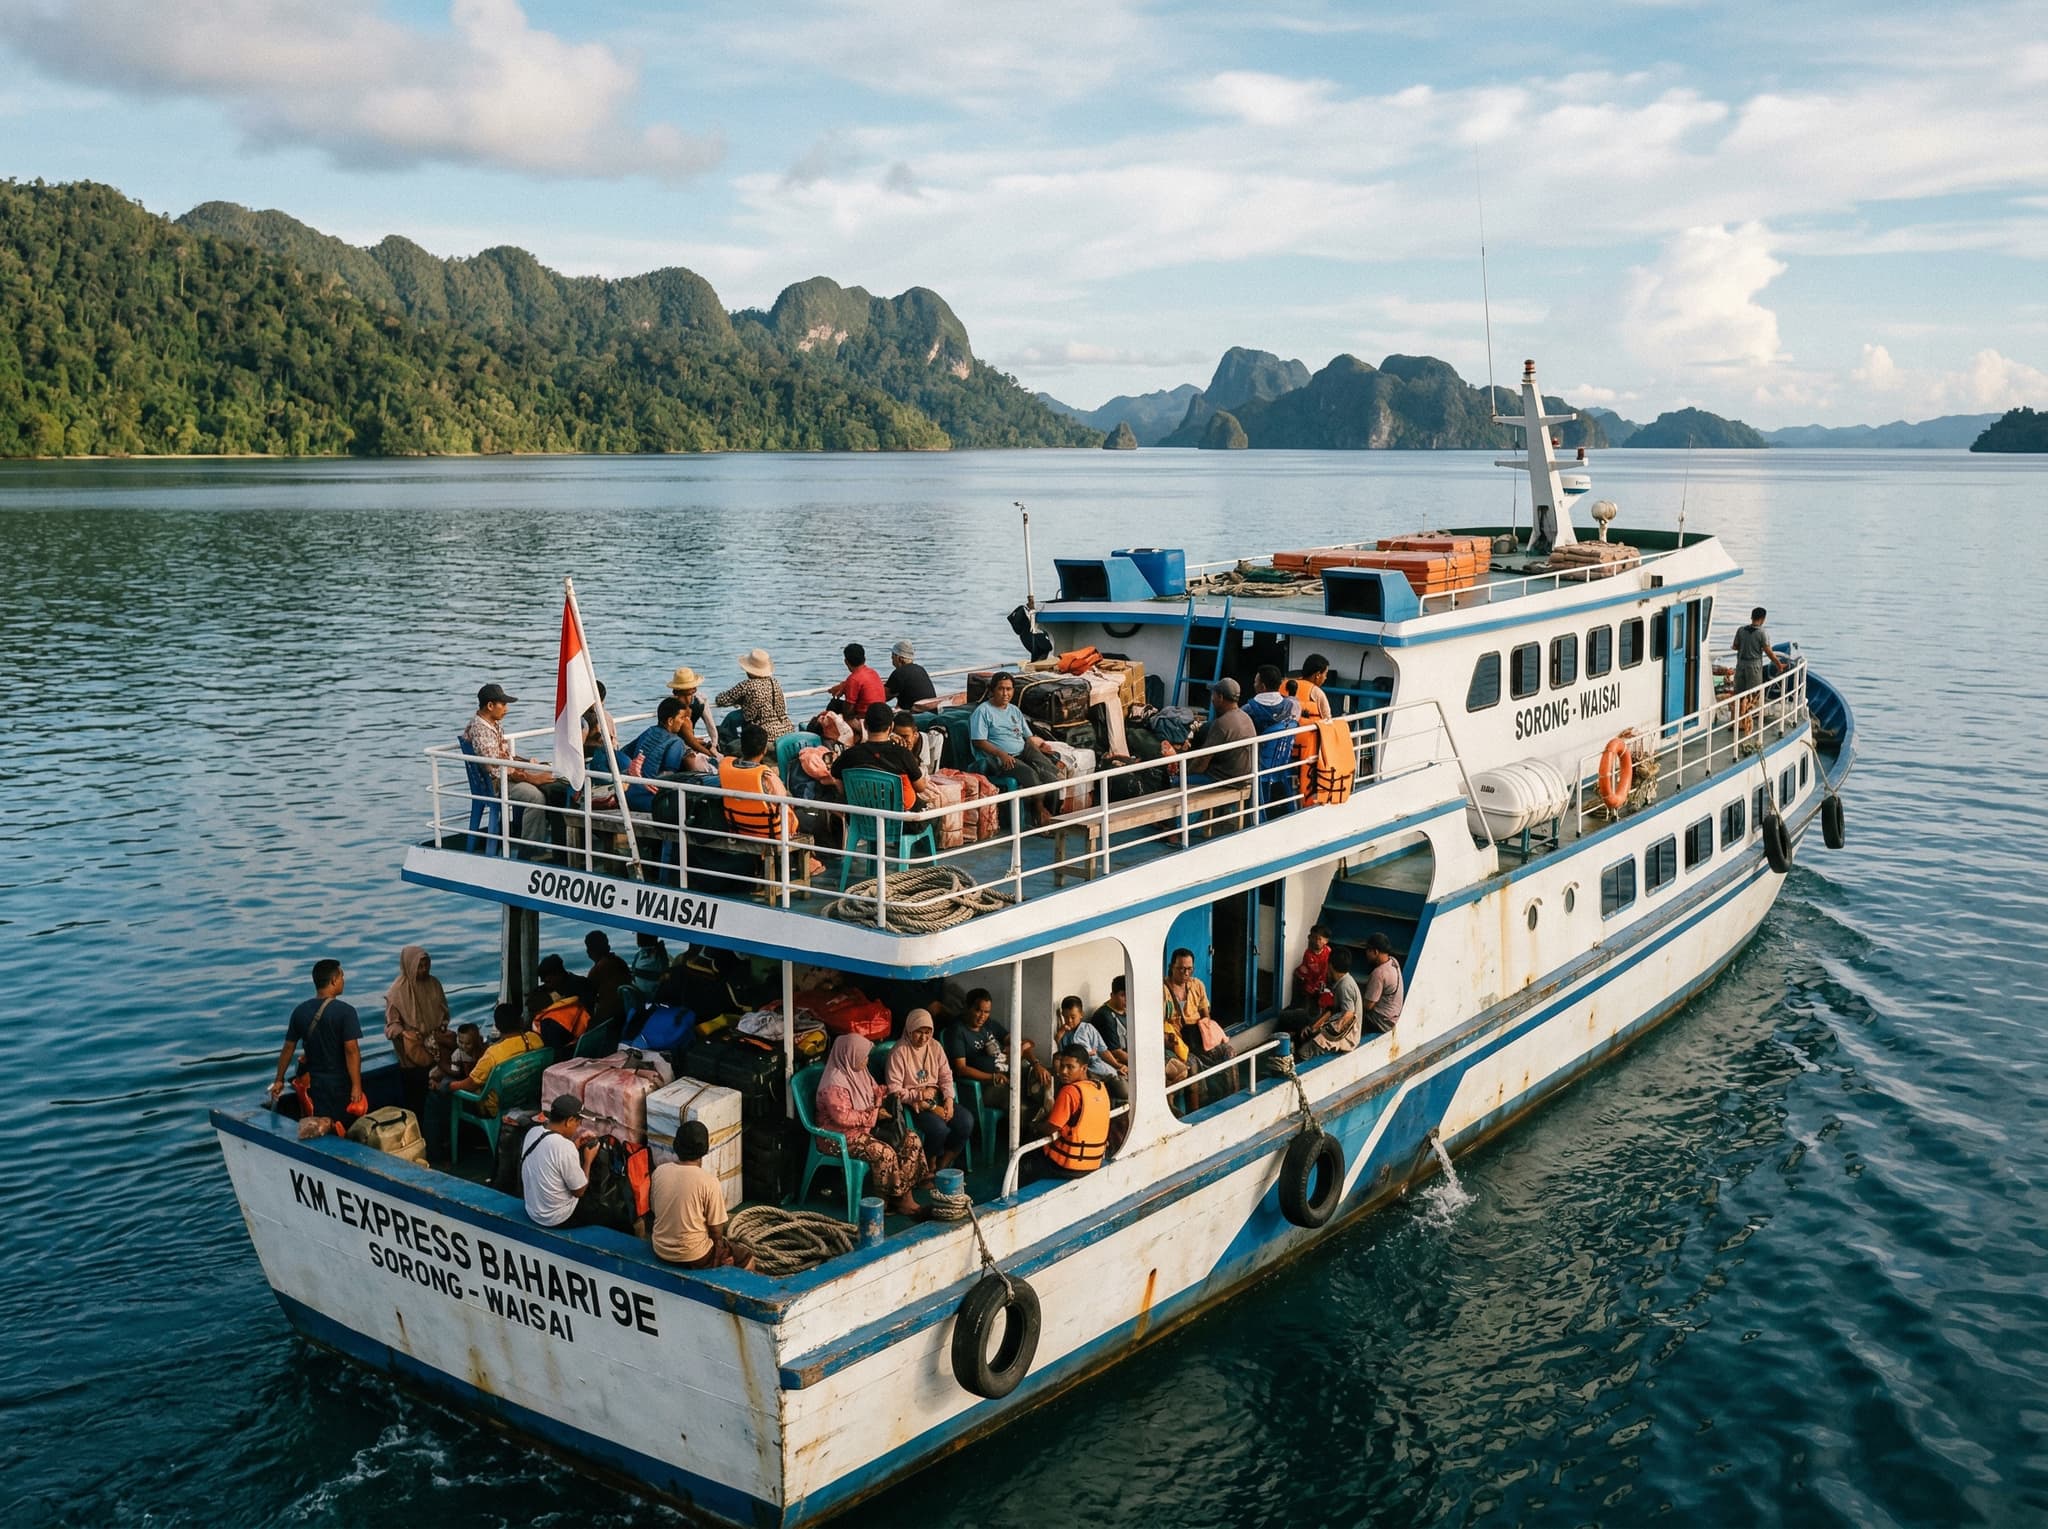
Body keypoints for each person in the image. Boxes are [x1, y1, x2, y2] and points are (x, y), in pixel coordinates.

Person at [814, 1032, 930, 1217]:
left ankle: (901, 1197)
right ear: (849, 1055)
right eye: (863, 1056)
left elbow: (875, 1091)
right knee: (883, 1152)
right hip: (839, 1137)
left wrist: (890, 1094)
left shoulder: (859, 1072)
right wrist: (874, 1114)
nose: (866, 1061)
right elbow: (843, 1118)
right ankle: (885, 1203)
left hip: (866, 1129)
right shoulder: (833, 1084)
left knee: (911, 1139)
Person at [463, 683, 570, 856]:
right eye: (503, 705)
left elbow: (504, 757)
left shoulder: (492, 723)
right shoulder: (481, 729)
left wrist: (528, 763)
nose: (507, 709)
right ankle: (530, 850)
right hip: (495, 783)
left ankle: (550, 839)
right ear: (490, 706)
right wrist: (531, 777)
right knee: (536, 797)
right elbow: (496, 769)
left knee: (550, 777)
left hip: (504, 775)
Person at [268, 958, 364, 1121]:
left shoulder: (300, 1011)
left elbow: (288, 1049)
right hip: (341, 1084)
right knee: (345, 1126)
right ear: (334, 980)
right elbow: (351, 1051)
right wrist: (356, 1086)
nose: (343, 981)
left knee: (323, 1124)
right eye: (342, 977)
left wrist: (279, 1080)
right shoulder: (346, 1012)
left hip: (316, 1085)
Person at [944, 987, 1051, 1132]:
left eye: (986, 1012)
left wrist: (1036, 1063)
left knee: (1046, 1079)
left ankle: (1045, 1133)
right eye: (978, 1010)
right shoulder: (957, 1031)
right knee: (1017, 1102)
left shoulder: (989, 1025)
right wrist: (992, 1077)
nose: (982, 1016)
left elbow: (1019, 1042)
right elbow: (961, 1069)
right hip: (984, 1086)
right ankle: (1023, 1144)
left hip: (1007, 1074)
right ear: (967, 1007)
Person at [651, 1120, 752, 1269]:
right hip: (694, 1256)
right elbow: (717, 1232)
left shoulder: (659, 1172)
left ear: (676, 1145)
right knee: (748, 1259)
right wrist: (720, 1255)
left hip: (660, 1249)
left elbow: (655, 1210)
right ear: (705, 1149)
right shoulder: (709, 1182)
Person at [971, 673, 1062, 827]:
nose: (1005, 693)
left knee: (1050, 776)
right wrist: (1001, 754)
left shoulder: (1014, 710)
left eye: (1009, 689)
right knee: (1031, 775)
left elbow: (1028, 737)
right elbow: (978, 741)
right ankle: (1038, 813)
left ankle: (1053, 816)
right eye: (1001, 689)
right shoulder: (983, 711)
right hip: (1001, 758)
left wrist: (1042, 748)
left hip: (1023, 751)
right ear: (992, 690)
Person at [886, 1008, 974, 1168]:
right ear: (909, 1029)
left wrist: (948, 1099)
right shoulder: (898, 1052)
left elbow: (946, 1076)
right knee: (939, 1129)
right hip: (913, 1103)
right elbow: (894, 1090)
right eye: (919, 1032)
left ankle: (944, 1162)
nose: (923, 1037)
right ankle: (927, 1165)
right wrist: (921, 1098)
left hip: (936, 1096)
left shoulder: (935, 1046)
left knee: (965, 1121)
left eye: (928, 1032)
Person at [381, 945, 450, 1116]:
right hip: (411, 1056)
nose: (424, 969)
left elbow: (444, 1010)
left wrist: (441, 1027)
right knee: (416, 1101)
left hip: (436, 1050)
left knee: (437, 1098)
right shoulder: (396, 992)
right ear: (409, 966)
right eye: (419, 966)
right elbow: (391, 1027)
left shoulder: (434, 983)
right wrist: (406, 1033)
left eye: (426, 965)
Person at [1164, 947, 1232, 1107]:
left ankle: (1231, 1097)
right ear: (1171, 967)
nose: (1186, 973)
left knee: (1228, 1052)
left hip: (1197, 1035)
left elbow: (1205, 1013)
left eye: (1189, 969)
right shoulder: (1163, 990)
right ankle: (1196, 1109)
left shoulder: (1197, 985)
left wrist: (1205, 1033)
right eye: (1181, 969)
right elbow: (1161, 1024)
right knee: (1192, 1064)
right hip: (1178, 1041)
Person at [521, 1094, 600, 1228]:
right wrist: (588, 1161)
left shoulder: (532, 1132)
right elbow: (579, 1191)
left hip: (533, 1211)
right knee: (611, 1216)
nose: (578, 1126)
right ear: (569, 1121)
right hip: (556, 1218)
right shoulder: (565, 1147)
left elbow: (552, 1155)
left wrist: (575, 1144)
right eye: (578, 1122)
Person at [1038, 1044, 1112, 1180]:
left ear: (1083, 1068)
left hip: (1068, 1167)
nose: (1064, 1071)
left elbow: (1051, 1128)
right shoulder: (1100, 1088)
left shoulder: (1070, 1092)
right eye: (1062, 1066)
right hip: (1094, 1161)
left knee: (1029, 1153)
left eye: (1070, 1067)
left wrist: (1036, 1128)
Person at [832, 701, 926, 802]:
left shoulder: (850, 754)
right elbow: (920, 787)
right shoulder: (903, 754)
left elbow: (835, 776)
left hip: (861, 813)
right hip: (897, 814)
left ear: (865, 725)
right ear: (891, 727)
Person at [718, 724, 799, 841]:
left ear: (742, 746)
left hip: (739, 826)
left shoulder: (727, 769)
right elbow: (787, 802)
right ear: (765, 749)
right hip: (769, 831)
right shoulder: (766, 775)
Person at [621, 698, 693, 812]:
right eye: (682, 718)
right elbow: (669, 775)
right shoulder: (676, 742)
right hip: (649, 799)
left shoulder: (649, 731)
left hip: (628, 796)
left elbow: (625, 752)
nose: (684, 721)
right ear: (670, 721)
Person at [1186, 677, 1257, 793]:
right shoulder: (1245, 717)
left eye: (1213, 695)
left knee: (1176, 782)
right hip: (1245, 777)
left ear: (1220, 697)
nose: (1212, 699)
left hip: (1226, 780)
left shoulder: (1221, 723)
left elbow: (1201, 762)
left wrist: (1185, 772)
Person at [1731, 607, 1789, 744]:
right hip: (1754, 667)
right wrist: (1779, 665)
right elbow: (1768, 651)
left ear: (1751, 617)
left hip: (1740, 665)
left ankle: (1735, 723)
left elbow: (1735, 646)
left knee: (1738, 694)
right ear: (1763, 619)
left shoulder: (1741, 630)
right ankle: (1746, 724)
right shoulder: (1762, 633)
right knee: (1753, 695)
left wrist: (1745, 648)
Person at [1054, 994, 1127, 1103]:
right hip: (1081, 1074)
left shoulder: (1088, 1029)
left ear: (1081, 1015)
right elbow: (1060, 1054)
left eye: (1073, 1017)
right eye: (1066, 1017)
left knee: (1123, 1091)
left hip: (1098, 1068)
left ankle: (1114, 1101)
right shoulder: (1064, 1034)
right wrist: (1059, 1036)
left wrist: (1117, 1065)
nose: (1069, 1021)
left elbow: (1103, 1050)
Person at [716, 650, 796, 741]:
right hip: (787, 731)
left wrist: (739, 700)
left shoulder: (748, 685)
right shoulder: (774, 682)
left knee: (731, 718)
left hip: (764, 736)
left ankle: (727, 746)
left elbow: (721, 699)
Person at [1301, 947, 1362, 1057]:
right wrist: (1314, 1027)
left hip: (1347, 1037)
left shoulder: (1345, 986)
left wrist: (1322, 1031)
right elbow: (1332, 1010)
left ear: (1330, 966)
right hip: (1336, 1025)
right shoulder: (1342, 981)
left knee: (1304, 1052)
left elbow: (1348, 1015)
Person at [584, 930, 635, 1029]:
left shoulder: (597, 970)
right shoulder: (620, 961)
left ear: (590, 951)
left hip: (610, 1018)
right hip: (626, 1010)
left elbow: (587, 996)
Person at [668, 666, 719, 759]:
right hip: (677, 742)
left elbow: (710, 724)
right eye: (682, 694)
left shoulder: (700, 701)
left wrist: (714, 745)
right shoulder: (671, 704)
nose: (686, 699)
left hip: (689, 738)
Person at [1360, 933, 1404, 1034]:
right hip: (1393, 1016)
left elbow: (1368, 1006)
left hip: (1381, 1021)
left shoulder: (1379, 973)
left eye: (1368, 950)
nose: (1366, 953)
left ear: (1375, 952)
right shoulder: (1393, 961)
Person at [829, 643, 888, 718]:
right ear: (864, 659)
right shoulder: (873, 673)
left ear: (846, 662)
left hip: (865, 717)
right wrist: (844, 686)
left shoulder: (853, 679)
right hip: (879, 713)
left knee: (834, 705)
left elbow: (848, 710)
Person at [1088, 975, 1131, 1065]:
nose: (1127, 999)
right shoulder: (1105, 1016)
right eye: (1123, 995)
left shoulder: (1128, 1011)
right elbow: (1116, 1051)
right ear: (1112, 995)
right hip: (1113, 1063)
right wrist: (1139, 1064)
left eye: (1129, 995)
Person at [884, 639, 937, 708]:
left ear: (899, 658)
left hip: (916, 715)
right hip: (930, 711)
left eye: (893, 655)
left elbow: (883, 696)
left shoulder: (899, 673)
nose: (891, 657)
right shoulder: (920, 669)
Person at [630, 932, 671, 998]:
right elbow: (666, 973)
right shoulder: (659, 954)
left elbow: (633, 970)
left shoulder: (639, 955)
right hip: (654, 994)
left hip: (639, 993)